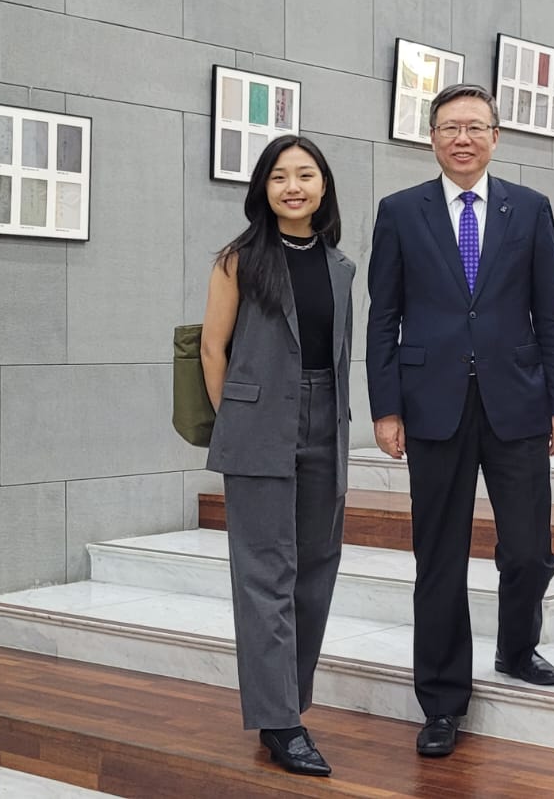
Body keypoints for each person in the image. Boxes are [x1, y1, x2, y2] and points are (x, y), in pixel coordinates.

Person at [365, 83, 554, 758]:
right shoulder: (400, 212)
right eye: (450, 126)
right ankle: (443, 698)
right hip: (432, 405)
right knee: (440, 557)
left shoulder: (531, 208)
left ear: (495, 136)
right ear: (431, 137)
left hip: (517, 400)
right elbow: (382, 317)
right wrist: (385, 406)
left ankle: (518, 648)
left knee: (527, 548)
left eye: (475, 126)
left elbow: (552, 311)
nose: (463, 137)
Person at [202, 135, 354, 778]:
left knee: (315, 565)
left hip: (326, 420)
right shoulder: (239, 260)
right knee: (265, 572)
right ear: (262, 189)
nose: (293, 186)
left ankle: (289, 702)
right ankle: (281, 723)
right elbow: (214, 350)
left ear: (323, 187)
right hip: (259, 420)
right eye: (279, 177)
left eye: (305, 175)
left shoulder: (340, 265)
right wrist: (239, 420)